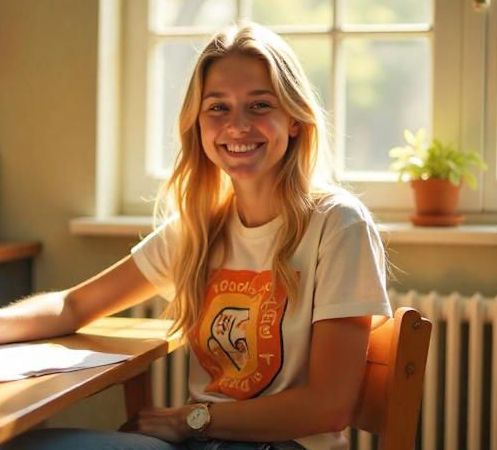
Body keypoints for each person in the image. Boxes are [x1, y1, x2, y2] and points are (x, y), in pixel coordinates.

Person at [0, 22, 391, 450]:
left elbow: (327, 407)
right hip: (203, 440)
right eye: (218, 108)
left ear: (294, 119)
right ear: (198, 124)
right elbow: (73, 305)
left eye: (259, 105)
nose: (237, 126)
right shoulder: (200, 229)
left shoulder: (339, 225)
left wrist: (190, 419)